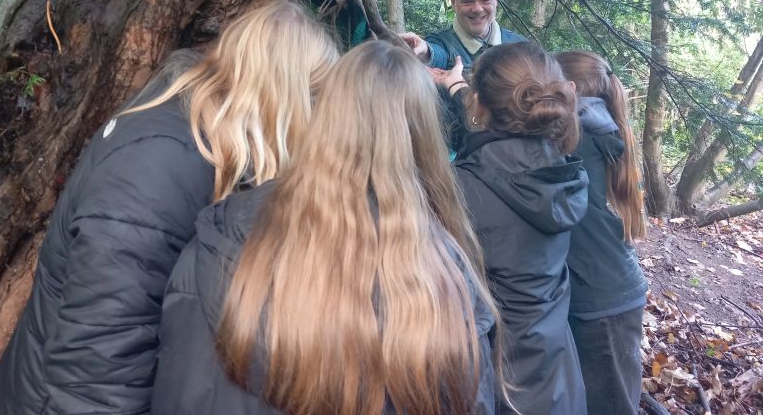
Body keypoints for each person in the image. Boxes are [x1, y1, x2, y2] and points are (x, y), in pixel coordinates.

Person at [0, 3, 339, 415]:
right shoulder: (159, 166)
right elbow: (94, 372)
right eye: (319, 100)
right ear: (289, 96)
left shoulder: (194, 135)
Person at [150, 40, 511, 415]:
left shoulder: (224, 235)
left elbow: (182, 388)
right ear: (424, 136)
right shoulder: (449, 276)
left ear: (323, 113)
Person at [437, 41, 589, 414]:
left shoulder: (460, 187)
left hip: (496, 377)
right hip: (558, 374)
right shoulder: (564, 172)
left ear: (479, 104)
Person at [556, 50, 648, 415]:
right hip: (608, 288)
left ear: (569, 88)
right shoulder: (597, 123)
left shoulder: (577, 136)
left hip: (604, 302)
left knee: (611, 404)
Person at [400, 0, 525, 71]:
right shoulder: (442, 43)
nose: (477, 9)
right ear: (453, 2)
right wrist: (426, 51)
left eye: (485, 0)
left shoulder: (521, 47)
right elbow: (438, 55)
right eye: (467, 2)